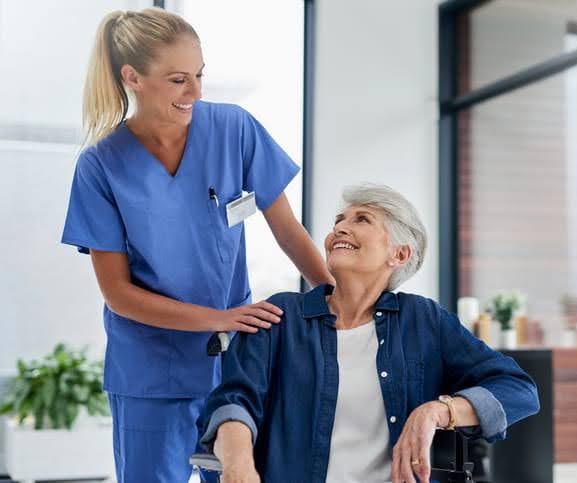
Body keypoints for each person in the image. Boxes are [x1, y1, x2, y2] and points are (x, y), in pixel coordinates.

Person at [60, 8, 333, 483]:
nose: (196, 93)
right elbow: (118, 294)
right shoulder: (100, 167)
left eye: (200, 76)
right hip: (150, 372)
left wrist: (339, 298)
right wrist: (221, 318)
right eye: (178, 80)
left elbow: (288, 231)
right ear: (133, 78)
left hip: (235, 370)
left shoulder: (234, 130)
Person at [197, 184, 540, 483]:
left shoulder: (423, 320)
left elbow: (519, 390)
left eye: (361, 220)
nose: (340, 229)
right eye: (338, 222)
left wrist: (436, 412)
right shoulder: (282, 316)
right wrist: (239, 465)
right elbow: (233, 404)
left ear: (400, 254)